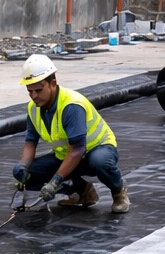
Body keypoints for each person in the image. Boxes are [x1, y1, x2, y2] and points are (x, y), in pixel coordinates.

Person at [12, 54, 130, 214]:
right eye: (29, 91)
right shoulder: (34, 108)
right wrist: (23, 166)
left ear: (53, 83)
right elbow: (30, 142)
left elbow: (78, 149)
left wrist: (55, 181)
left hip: (95, 150)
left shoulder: (71, 106)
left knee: (100, 162)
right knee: (28, 175)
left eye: (38, 90)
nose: (33, 96)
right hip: (68, 156)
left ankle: (118, 191)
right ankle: (83, 191)